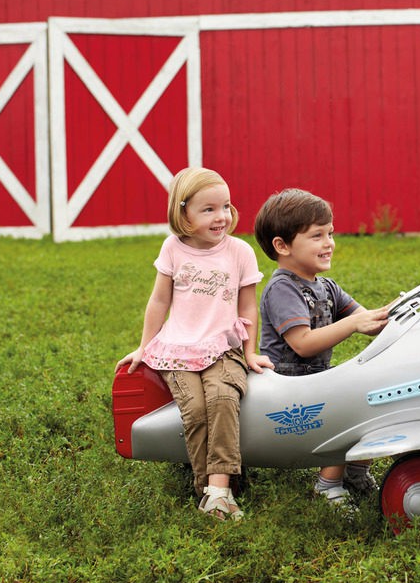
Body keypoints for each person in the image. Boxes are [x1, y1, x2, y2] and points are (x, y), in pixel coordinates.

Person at [116, 168, 273, 521]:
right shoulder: (173, 248)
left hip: (223, 345)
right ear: (183, 212)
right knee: (195, 410)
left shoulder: (239, 252)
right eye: (209, 209)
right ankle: (211, 490)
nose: (221, 217)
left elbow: (248, 305)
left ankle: (219, 490)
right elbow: (159, 302)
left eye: (226, 206)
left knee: (222, 398)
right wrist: (144, 347)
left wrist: (249, 351)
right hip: (178, 348)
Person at [253, 188, 389, 508]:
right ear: (282, 246)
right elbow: (302, 344)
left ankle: (356, 470)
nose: (329, 243)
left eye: (330, 233)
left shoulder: (326, 286)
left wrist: (410, 305)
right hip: (285, 387)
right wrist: (352, 325)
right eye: (317, 236)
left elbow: (368, 320)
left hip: (314, 380)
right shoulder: (282, 287)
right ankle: (327, 484)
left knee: (373, 391)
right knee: (347, 403)